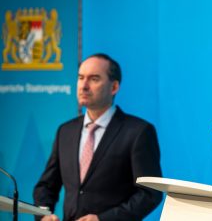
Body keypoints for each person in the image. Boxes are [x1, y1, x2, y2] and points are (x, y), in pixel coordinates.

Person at [33, 53, 162, 221]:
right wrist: (44, 214)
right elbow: (46, 186)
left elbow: (150, 194)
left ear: (114, 87)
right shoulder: (65, 131)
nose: (84, 86)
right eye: (80, 78)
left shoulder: (138, 132)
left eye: (94, 79)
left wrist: (103, 219)